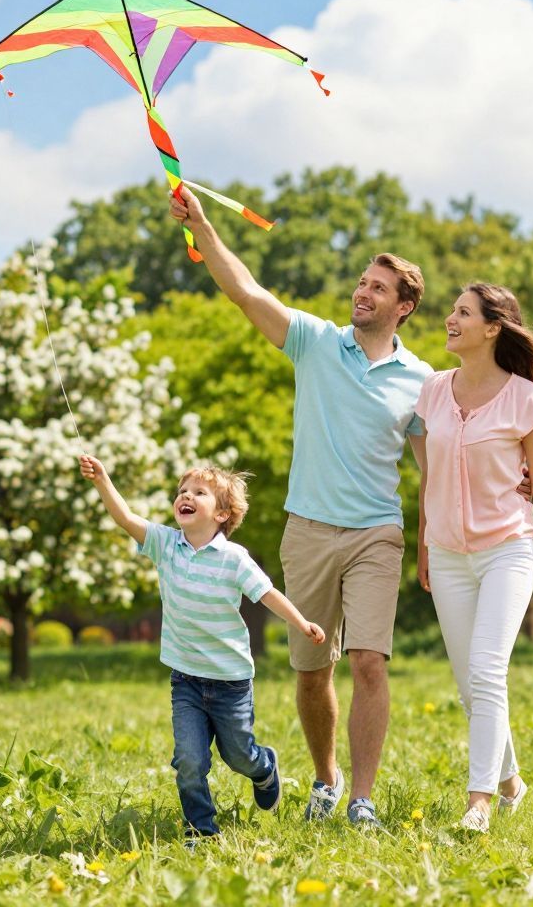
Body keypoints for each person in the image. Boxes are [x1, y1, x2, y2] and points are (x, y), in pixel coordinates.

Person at [170, 189, 431, 827]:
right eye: (361, 283)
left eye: (378, 288)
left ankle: (362, 801)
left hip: (376, 533)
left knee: (369, 661)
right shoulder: (315, 341)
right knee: (314, 671)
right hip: (308, 531)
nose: (362, 294)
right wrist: (202, 227)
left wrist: (431, 541)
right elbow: (247, 291)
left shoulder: (422, 381)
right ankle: (326, 779)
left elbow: (436, 469)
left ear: (404, 307)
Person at [414, 283, 533, 833]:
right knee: (471, 686)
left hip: (507, 551)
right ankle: (512, 781)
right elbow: (428, 478)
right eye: (452, 310)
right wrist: (425, 544)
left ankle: (479, 801)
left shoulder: (524, 398)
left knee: (488, 671)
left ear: (493, 327)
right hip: (447, 556)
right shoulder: (433, 392)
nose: (450, 319)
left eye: (462, 313)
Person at [79, 454, 325, 840]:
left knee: (239, 756)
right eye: (181, 491)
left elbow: (268, 594)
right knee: (190, 762)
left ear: (223, 514)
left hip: (230, 682)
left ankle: (264, 768)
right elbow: (125, 518)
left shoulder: (233, 558)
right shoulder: (164, 545)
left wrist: (302, 622)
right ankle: (201, 829)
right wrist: (102, 482)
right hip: (186, 681)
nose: (185, 496)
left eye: (198, 492)